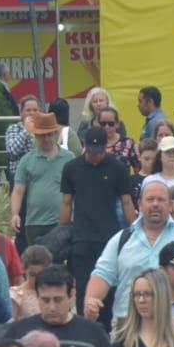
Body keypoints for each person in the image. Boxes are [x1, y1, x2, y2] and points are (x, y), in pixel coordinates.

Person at [84, 179, 174, 324]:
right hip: (127, 324)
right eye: (150, 199)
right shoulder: (122, 238)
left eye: (161, 200)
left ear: (170, 205)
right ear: (140, 204)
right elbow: (102, 274)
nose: (155, 204)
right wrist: (92, 301)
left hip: (173, 324)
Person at [63, 125, 137, 317]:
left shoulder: (117, 168)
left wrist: (135, 231)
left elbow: (127, 202)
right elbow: (66, 203)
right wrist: (62, 232)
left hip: (108, 237)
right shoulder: (72, 168)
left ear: (106, 147)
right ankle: (85, 323)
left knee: (110, 285)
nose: (94, 156)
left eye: (99, 152)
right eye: (91, 151)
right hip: (81, 237)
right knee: (83, 285)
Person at [10, 244, 52, 319]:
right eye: (32, 275)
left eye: (41, 274)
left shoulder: (53, 291)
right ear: (24, 269)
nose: (37, 279)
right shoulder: (17, 296)